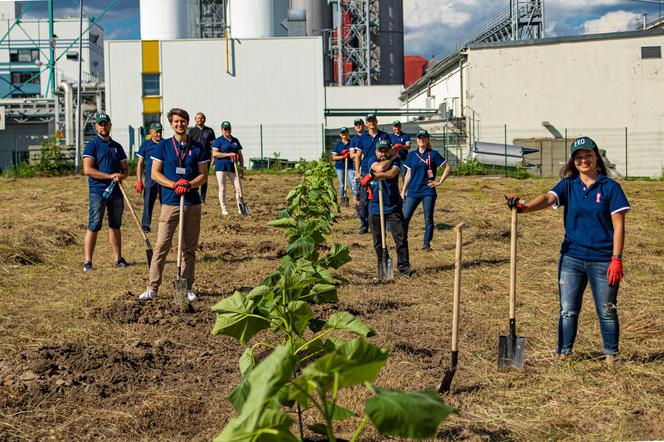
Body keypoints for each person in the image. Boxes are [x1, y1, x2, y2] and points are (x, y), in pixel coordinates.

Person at [505, 136, 630, 364]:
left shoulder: (611, 188)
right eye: (578, 157)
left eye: (588, 156)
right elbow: (547, 198)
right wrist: (523, 208)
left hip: (603, 260)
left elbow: (618, 225)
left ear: (596, 158)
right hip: (571, 258)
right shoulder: (568, 185)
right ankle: (564, 353)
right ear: (573, 161)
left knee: (607, 309)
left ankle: (611, 356)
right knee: (568, 310)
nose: (583, 160)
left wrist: (617, 259)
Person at [139, 108, 209, 301]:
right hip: (170, 202)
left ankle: (186, 287)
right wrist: (174, 184)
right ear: (171, 124)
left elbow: (203, 175)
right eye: (176, 121)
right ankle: (152, 286)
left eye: (183, 121)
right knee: (162, 244)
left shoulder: (198, 147)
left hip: (192, 203)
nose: (180, 124)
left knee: (189, 248)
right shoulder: (163, 147)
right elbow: (155, 174)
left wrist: (188, 184)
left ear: (188, 123)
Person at [81, 113, 129, 272]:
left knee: (115, 224)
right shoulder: (92, 145)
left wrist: (121, 175)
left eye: (106, 124)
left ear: (110, 125)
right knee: (94, 224)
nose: (103, 127)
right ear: (96, 126)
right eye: (100, 124)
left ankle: (118, 259)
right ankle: (88, 261)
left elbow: (125, 169)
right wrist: (109, 176)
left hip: (116, 191)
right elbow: (87, 170)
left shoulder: (117, 146)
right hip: (98, 192)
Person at [361, 138, 412, 276]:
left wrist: (372, 175)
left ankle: (404, 267)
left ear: (390, 150)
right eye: (380, 150)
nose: (382, 153)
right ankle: (382, 261)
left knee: (400, 238)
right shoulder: (370, 159)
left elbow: (391, 174)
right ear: (376, 151)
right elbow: (381, 168)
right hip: (375, 208)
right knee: (378, 240)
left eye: (385, 150)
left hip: (393, 206)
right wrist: (391, 158)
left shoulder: (395, 161)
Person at [401, 129, 452, 252]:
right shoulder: (411, 155)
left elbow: (447, 167)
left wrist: (439, 181)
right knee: (405, 217)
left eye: (424, 138)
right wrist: (403, 191)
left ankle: (426, 244)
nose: (421, 140)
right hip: (413, 191)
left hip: (428, 191)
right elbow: (408, 174)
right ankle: (402, 242)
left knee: (428, 219)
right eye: (419, 138)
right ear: (416, 140)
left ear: (427, 139)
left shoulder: (433, 154)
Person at [355, 113, 389, 234]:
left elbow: (389, 152)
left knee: (382, 197)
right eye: (369, 121)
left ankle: (384, 224)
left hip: (380, 170)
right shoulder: (362, 138)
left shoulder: (384, 136)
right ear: (366, 124)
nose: (371, 123)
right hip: (365, 171)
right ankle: (364, 225)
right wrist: (358, 172)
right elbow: (358, 156)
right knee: (364, 200)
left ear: (376, 121)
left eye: (373, 120)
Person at [211, 121, 244, 216]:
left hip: (233, 167)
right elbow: (215, 154)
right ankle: (224, 209)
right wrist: (228, 154)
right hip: (221, 167)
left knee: (238, 187)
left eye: (228, 129)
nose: (227, 131)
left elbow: (240, 155)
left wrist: (241, 167)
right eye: (225, 129)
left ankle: (240, 208)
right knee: (222, 188)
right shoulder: (218, 140)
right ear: (222, 130)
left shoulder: (235, 140)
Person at [135, 122, 163, 232]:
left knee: (165, 202)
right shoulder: (146, 145)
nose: (158, 134)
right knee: (148, 202)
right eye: (156, 131)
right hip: (150, 179)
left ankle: (166, 223)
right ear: (151, 132)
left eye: (160, 131)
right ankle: (145, 225)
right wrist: (139, 181)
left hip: (164, 178)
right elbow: (140, 164)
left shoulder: (165, 143)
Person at [187, 112, 216, 203]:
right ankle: (194, 194)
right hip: (194, 158)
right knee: (194, 176)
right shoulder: (191, 131)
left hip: (206, 157)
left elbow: (213, 146)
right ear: (195, 120)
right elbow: (188, 144)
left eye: (202, 118)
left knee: (204, 177)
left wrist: (214, 157)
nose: (200, 120)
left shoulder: (209, 131)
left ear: (205, 119)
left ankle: (202, 197)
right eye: (198, 118)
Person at [330, 127, 355, 204]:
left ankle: (356, 199)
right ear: (340, 135)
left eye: (346, 133)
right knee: (341, 184)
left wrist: (350, 154)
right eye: (343, 133)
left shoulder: (352, 143)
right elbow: (334, 157)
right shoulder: (338, 145)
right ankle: (342, 200)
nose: (344, 134)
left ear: (348, 134)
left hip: (350, 166)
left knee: (353, 183)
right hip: (340, 167)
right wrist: (342, 156)